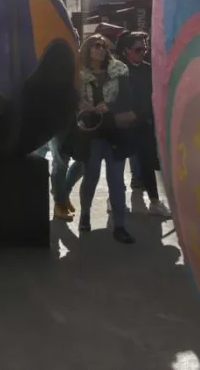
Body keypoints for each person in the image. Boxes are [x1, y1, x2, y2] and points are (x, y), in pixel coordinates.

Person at [70, 34, 137, 244]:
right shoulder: (80, 75)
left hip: (114, 130)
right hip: (91, 132)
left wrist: (109, 106)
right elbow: (71, 99)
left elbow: (128, 98)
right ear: (87, 50)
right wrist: (82, 105)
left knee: (116, 181)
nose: (101, 49)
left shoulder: (119, 69)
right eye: (96, 46)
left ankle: (120, 226)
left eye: (104, 46)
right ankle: (85, 214)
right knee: (90, 177)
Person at [116, 32, 172, 218]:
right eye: (138, 49)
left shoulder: (149, 70)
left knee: (147, 160)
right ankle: (116, 200)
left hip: (143, 123)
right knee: (116, 162)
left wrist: (137, 114)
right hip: (122, 126)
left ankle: (154, 201)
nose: (143, 52)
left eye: (144, 48)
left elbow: (153, 98)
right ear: (126, 51)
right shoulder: (117, 70)